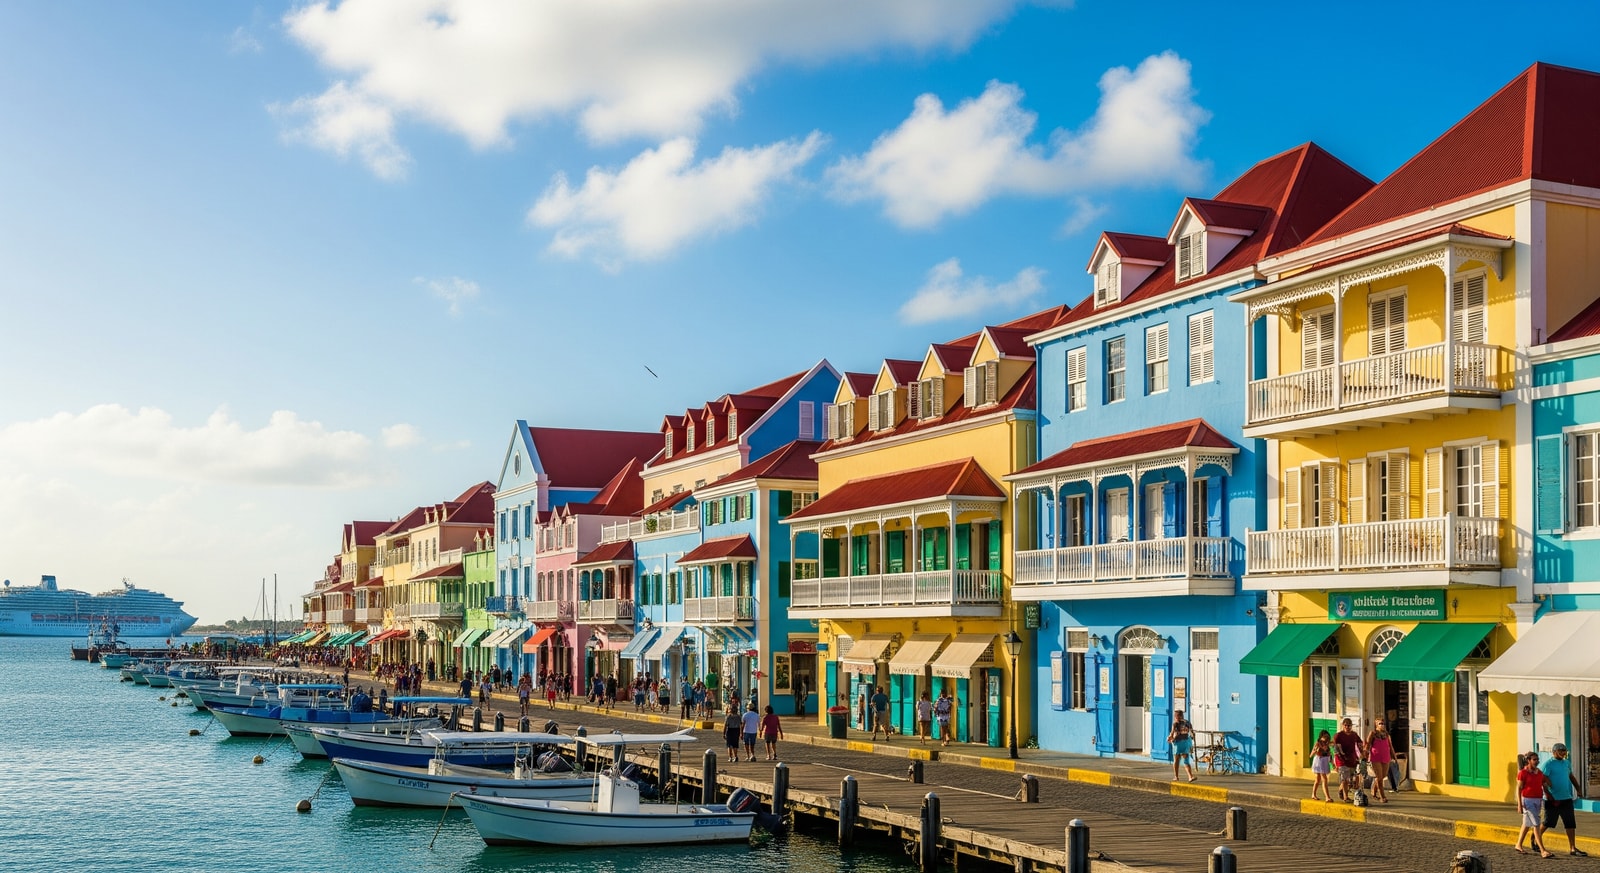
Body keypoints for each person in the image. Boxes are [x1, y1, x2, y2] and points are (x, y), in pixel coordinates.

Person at [1539, 743, 1588, 856]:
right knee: (1548, 822)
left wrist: (1578, 788)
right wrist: (1548, 788)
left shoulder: (1566, 763)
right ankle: (1536, 837)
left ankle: (1572, 848)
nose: (1563, 753)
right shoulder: (1548, 764)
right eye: (1560, 751)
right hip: (1552, 799)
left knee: (1570, 823)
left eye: (1564, 751)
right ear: (1554, 752)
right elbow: (1541, 777)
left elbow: (1571, 776)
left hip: (1566, 798)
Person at [1516, 751, 1556, 857]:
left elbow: (1543, 784)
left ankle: (1518, 845)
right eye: (1534, 759)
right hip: (1527, 801)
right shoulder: (1523, 773)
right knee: (1536, 824)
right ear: (1528, 761)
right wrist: (1519, 804)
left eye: (1537, 759)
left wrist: (1548, 794)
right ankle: (1543, 850)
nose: (1537, 761)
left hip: (1538, 800)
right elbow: (1519, 789)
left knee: (1526, 824)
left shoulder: (1539, 772)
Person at [1332, 718, 1364, 802]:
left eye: (1349, 725)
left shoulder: (1354, 735)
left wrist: (1363, 753)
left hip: (1352, 759)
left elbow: (1360, 743)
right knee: (1345, 779)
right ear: (1343, 725)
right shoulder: (1338, 736)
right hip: (1341, 760)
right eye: (1345, 725)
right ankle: (1346, 797)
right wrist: (1336, 762)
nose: (1347, 727)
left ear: (1351, 726)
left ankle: (1341, 790)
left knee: (1351, 781)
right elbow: (1336, 749)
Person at [1364, 718, 1393, 803]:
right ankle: (1382, 796)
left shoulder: (1386, 735)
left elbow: (1390, 746)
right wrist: (1365, 755)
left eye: (1383, 723)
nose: (1382, 725)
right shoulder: (1373, 733)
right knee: (1379, 777)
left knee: (1383, 776)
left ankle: (1373, 789)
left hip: (1386, 757)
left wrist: (1394, 756)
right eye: (1380, 723)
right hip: (1376, 758)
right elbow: (1368, 744)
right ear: (1376, 725)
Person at [1168, 708, 1196, 782]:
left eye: (1175, 716)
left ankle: (1176, 776)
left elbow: (1172, 733)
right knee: (1186, 760)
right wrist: (1192, 739)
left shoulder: (1175, 723)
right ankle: (1190, 776)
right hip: (1186, 742)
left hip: (1177, 743)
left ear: (1176, 716)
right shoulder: (1187, 722)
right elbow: (1192, 733)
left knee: (1176, 760)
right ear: (1182, 715)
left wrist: (1169, 738)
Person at [1310, 729, 1334, 801]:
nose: (1326, 739)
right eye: (1324, 737)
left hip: (1324, 761)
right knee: (1324, 779)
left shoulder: (1327, 745)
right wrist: (1315, 751)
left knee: (1318, 779)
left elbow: (1329, 755)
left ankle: (1313, 794)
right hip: (1319, 761)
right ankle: (1327, 797)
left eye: (1327, 737)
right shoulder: (1318, 743)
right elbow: (1311, 755)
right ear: (1321, 737)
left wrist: (1332, 763)